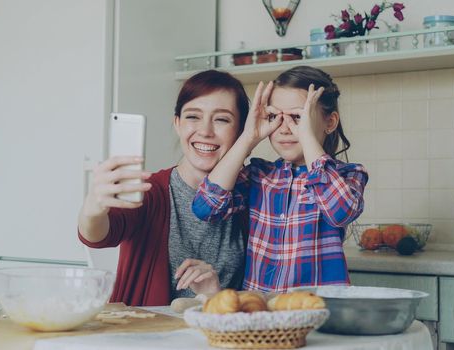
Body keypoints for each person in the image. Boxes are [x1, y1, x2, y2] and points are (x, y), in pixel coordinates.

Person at [78, 70, 249, 306]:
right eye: (192, 117)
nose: (206, 131)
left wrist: (215, 296)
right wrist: (92, 208)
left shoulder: (249, 198)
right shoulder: (151, 191)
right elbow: (97, 235)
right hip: (145, 336)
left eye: (222, 119)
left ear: (241, 132)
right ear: (177, 124)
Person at [192, 66, 368, 293]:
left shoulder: (348, 175)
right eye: (275, 117)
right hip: (262, 313)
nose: (285, 129)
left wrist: (306, 136)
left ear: (330, 122)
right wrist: (248, 137)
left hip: (320, 312)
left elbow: (341, 211)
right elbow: (205, 207)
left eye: (297, 117)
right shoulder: (259, 176)